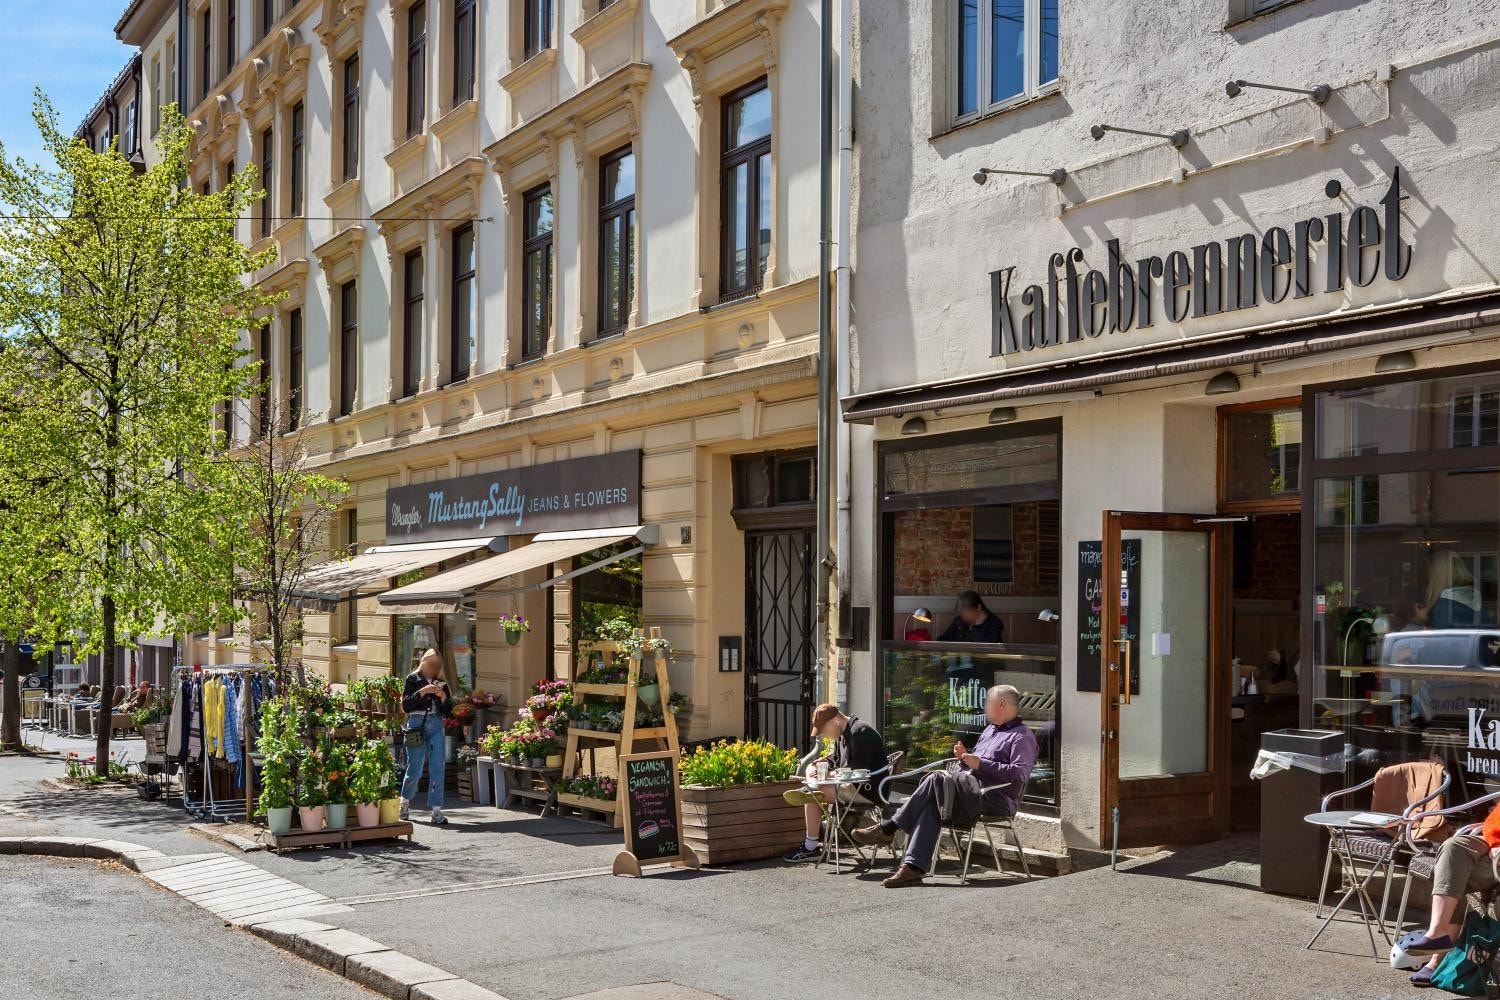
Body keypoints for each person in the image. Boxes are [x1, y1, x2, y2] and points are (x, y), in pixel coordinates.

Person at [853, 685, 1037, 887]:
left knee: (936, 780)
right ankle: (912, 868)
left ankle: (888, 828)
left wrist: (980, 763)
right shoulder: (989, 730)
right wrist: (964, 759)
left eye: (988, 703)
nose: (984, 707)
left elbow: (1019, 775)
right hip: (968, 792)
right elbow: (973, 766)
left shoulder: (1022, 736)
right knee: (933, 801)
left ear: (1002, 704)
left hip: (994, 798)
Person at [1394, 802, 1500, 987]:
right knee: (1453, 848)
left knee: (1453, 874)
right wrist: (1494, 839)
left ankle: (1437, 961)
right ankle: (1438, 933)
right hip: (1493, 842)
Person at [782, 704, 888, 863]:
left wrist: (825, 774)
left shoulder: (860, 732)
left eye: (824, 730)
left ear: (834, 721)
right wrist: (818, 765)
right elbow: (836, 760)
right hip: (853, 787)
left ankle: (810, 847)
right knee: (812, 782)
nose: (824, 735)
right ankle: (811, 788)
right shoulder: (843, 734)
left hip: (869, 791)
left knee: (812, 795)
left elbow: (856, 772)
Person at [399, 649, 453, 825]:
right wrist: (422, 692)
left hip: (436, 723)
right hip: (416, 723)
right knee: (415, 766)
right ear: (424, 662)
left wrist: (443, 697)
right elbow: (406, 705)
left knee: (438, 766)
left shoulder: (441, 681)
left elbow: (449, 711)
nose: (434, 669)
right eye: (431, 665)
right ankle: (404, 803)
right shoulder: (412, 679)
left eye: (437, 666)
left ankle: (436, 810)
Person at [1414, 550, 1491, 629]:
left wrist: (1423, 619)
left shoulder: (1443, 608)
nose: (1427, 578)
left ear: (1437, 576)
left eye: (1429, 573)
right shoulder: (1475, 598)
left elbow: (1442, 635)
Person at [936, 591, 1004, 643]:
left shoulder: (994, 623)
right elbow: (944, 639)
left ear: (978, 607)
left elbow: (984, 648)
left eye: (967, 611)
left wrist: (977, 626)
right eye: (962, 612)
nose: (963, 615)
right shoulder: (959, 621)